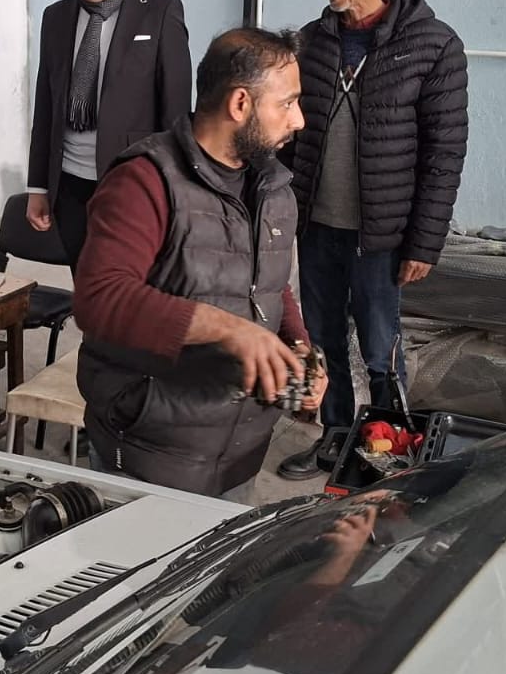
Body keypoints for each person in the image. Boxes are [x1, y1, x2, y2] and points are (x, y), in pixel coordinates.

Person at [73, 27, 326, 501]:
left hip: (241, 455)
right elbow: (99, 297)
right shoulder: (145, 182)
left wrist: (299, 351)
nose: (299, 120)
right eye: (287, 103)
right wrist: (230, 329)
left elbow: (272, 285)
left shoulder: (274, 188)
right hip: (152, 454)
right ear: (240, 104)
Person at [275, 0, 468, 481]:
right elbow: (288, 136)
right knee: (324, 341)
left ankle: (388, 450)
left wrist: (424, 243)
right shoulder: (312, 42)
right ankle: (335, 438)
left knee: (381, 350)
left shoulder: (432, 45)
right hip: (318, 229)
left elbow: (444, 154)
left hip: (382, 236)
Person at [26, 0, 192, 272]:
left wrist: (174, 196)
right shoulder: (56, 17)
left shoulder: (161, 12)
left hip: (134, 188)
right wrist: (38, 187)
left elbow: (176, 117)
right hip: (69, 189)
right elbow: (46, 107)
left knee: (128, 293)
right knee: (87, 289)